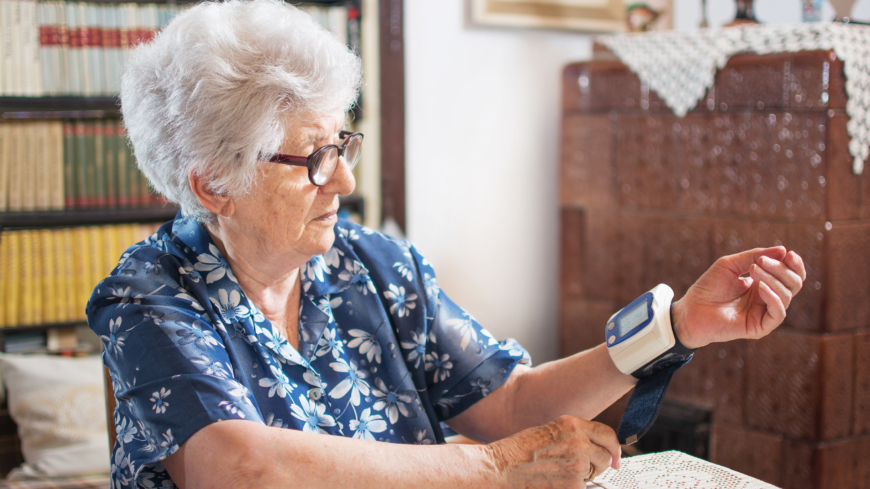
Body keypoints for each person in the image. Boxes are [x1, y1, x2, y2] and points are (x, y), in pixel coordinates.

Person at [87, 1, 807, 487]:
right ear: (214, 184)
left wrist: (675, 326)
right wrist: (494, 468)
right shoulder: (148, 292)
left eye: (343, 141)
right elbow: (239, 466)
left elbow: (510, 400)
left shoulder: (373, 266)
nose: (344, 178)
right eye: (313, 158)